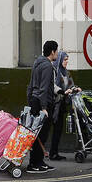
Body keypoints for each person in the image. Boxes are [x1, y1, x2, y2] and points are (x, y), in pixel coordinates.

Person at [25, 40, 58, 173]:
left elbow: (31, 84)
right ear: (52, 52)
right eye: (56, 50)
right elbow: (44, 88)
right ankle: (34, 164)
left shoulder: (37, 63)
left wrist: (30, 100)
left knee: (36, 134)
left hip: (34, 100)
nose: (57, 53)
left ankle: (38, 162)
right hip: (42, 102)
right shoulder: (47, 66)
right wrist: (44, 107)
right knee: (41, 135)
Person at [48, 51, 80, 161]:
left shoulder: (66, 73)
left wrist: (75, 88)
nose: (66, 62)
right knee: (49, 129)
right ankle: (50, 153)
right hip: (53, 104)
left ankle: (54, 153)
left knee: (58, 129)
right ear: (60, 60)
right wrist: (62, 91)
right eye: (64, 59)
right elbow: (53, 86)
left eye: (67, 59)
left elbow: (71, 85)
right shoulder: (54, 72)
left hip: (62, 104)